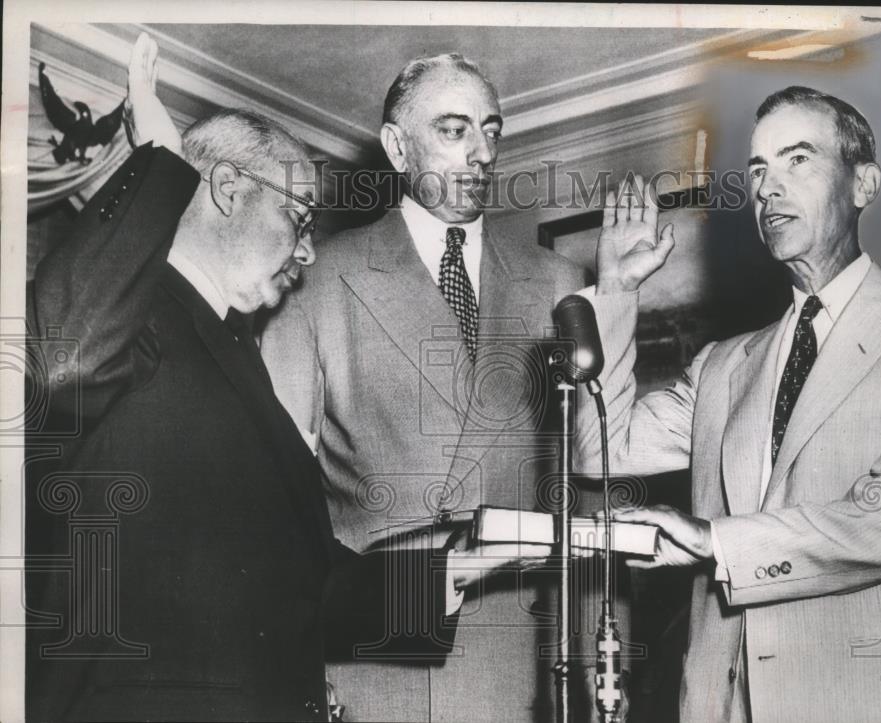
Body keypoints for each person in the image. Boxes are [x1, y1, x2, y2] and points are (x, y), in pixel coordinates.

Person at [24, 35, 536, 722]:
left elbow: (308, 592)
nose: (305, 249)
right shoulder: (138, 316)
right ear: (229, 190)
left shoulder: (236, 354)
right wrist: (159, 168)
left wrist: (457, 568)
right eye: (297, 218)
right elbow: (59, 357)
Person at [577, 86, 881, 721]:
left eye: (797, 160)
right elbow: (598, 450)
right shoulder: (722, 365)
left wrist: (715, 541)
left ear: (863, 183)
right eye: (757, 169)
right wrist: (618, 292)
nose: (767, 188)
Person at [261, 54, 595, 722]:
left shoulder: (557, 281)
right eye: (453, 129)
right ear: (395, 145)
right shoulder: (317, 279)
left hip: (516, 654)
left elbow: (587, 480)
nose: (481, 151)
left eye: (491, 129)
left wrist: (584, 669)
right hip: (373, 654)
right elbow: (271, 503)